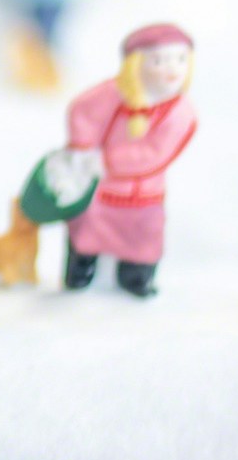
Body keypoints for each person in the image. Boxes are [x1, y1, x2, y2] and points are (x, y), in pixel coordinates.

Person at [51, 22, 199, 298]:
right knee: (86, 228)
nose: (172, 69)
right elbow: (82, 111)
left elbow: (155, 153)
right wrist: (83, 148)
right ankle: (81, 268)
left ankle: (136, 276)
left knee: (143, 236)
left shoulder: (180, 112)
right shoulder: (115, 93)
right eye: (158, 60)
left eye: (180, 60)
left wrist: (108, 162)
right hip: (99, 189)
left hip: (144, 195)